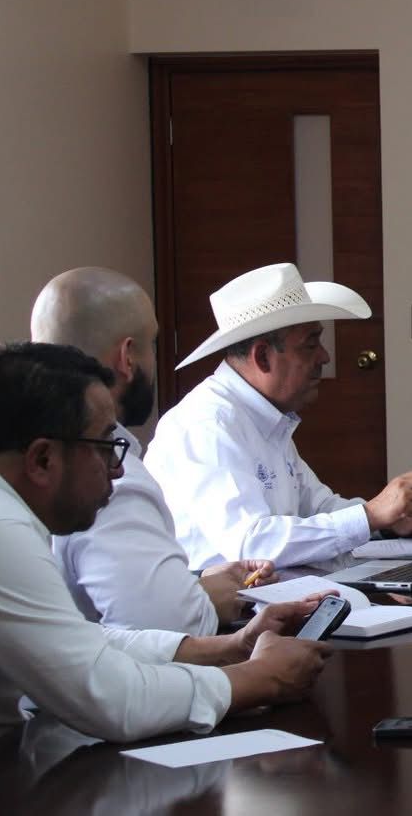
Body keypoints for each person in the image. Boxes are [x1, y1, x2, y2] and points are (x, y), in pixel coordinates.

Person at [0, 342, 330, 746]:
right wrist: (258, 679)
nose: (117, 472)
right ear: (43, 460)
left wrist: (229, 648)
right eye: (106, 448)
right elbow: (110, 699)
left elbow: (71, 641)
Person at [144, 263, 412, 571]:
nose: (325, 356)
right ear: (262, 357)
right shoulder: (207, 425)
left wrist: (388, 520)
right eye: (310, 345)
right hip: (230, 601)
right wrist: (371, 515)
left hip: (275, 591)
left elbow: (318, 508)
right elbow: (251, 545)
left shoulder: (266, 418)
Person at [31, 268, 272, 635]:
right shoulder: (106, 476)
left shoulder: (31, 453)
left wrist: (191, 585)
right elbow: (166, 629)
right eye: (154, 344)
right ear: (127, 357)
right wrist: (202, 601)